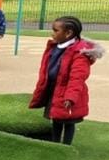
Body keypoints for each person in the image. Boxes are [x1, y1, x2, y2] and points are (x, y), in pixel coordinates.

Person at [29, 16, 103, 145]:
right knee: (56, 119)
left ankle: (66, 146)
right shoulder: (55, 46)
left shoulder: (79, 53)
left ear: (68, 33)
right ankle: (55, 144)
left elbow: (77, 77)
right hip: (55, 89)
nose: (52, 33)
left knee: (69, 121)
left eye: (56, 30)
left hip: (69, 94)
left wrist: (71, 97)